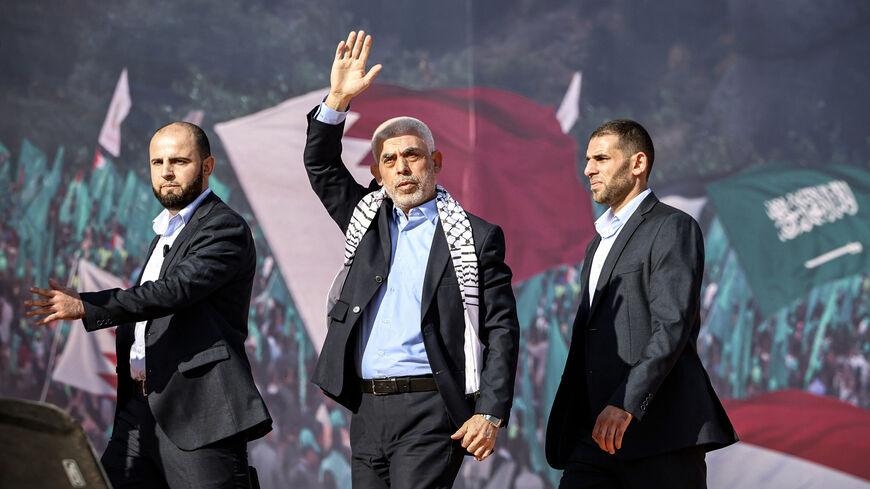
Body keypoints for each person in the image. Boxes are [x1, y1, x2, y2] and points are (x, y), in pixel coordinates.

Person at [304, 30, 520, 488]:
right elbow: (321, 164)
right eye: (390, 160)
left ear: (436, 162)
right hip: (366, 408)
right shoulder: (364, 220)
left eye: (413, 156)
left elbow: (500, 329)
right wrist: (337, 99)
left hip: (430, 408)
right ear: (377, 171)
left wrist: (491, 412)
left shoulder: (476, 237)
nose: (402, 168)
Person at [25, 122, 272, 489]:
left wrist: (88, 306)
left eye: (179, 161)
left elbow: (174, 291)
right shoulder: (165, 232)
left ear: (207, 167)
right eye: (157, 162)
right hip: (138, 413)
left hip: (198, 415)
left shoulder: (224, 228)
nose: (166, 171)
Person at [545, 120, 737, 488]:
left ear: (637, 164)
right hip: (593, 434)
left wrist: (627, 402)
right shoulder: (597, 243)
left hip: (658, 433)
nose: (588, 169)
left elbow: (671, 327)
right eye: (587, 159)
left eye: (601, 158)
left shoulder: (672, 227)